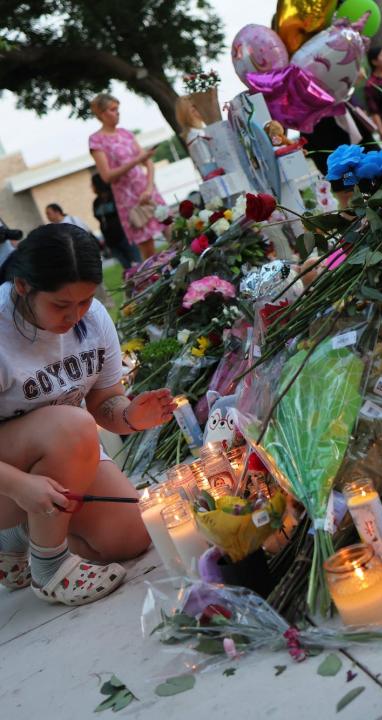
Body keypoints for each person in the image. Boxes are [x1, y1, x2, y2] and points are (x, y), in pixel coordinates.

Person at [0, 224, 174, 606]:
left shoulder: (92, 318)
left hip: (58, 451)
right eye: (61, 305)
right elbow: (80, 422)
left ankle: (17, 537)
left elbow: (103, 401)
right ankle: (49, 567)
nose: (75, 316)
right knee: (72, 424)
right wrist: (18, 486)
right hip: (8, 474)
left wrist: (130, 416)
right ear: (22, 287)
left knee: (131, 536)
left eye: (84, 301)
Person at [88, 93, 167, 260]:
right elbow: (107, 176)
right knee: (148, 250)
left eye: (118, 109)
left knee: (172, 230)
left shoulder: (126, 134)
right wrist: (137, 160)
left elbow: (148, 163)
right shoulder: (96, 140)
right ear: (102, 113)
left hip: (148, 192)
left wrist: (150, 187)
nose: (117, 113)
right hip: (129, 199)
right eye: (113, 109)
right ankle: (155, 281)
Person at [92, 173, 141, 270]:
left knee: (138, 264)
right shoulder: (96, 202)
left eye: (92, 184)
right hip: (111, 241)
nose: (91, 187)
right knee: (127, 269)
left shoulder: (114, 195)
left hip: (124, 236)